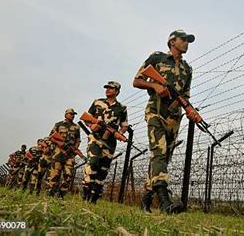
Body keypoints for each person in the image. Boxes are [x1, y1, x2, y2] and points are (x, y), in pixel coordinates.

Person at [133, 29, 197, 214]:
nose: (186, 43)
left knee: (162, 159)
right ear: (172, 42)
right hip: (155, 112)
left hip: (173, 118)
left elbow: (185, 95)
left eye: (188, 41)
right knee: (159, 153)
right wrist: (154, 85)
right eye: (183, 40)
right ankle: (165, 202)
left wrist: (190, 109)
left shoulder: (187, 68)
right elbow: (137, 80)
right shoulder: (157, 58)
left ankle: (145, 199)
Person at [82, 81, 128, 203]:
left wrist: (120, 133)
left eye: (111, 88)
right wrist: (92, 125)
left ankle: (94, 195)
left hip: (110, 142)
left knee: (103, 168)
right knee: (93, 161)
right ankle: (86, 187)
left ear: (117, 91)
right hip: (95, 138)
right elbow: (87, 118)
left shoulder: (122, 108)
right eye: (107, 88)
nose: (107, 89)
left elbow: (124, 125)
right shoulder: (97, 102)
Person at [46, 108, 81, 198]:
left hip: (70, 154)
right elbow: (51, 137)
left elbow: (78, 140)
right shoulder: (58, 125)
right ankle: (51, 194)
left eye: (73, 114)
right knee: (55, 174)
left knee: (68, 175)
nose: (72, 115)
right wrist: (60, 143)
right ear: (65, 115)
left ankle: (61, 195)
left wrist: (75, 149)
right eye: (70, 114)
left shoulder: (76, 127)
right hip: (58, 152)